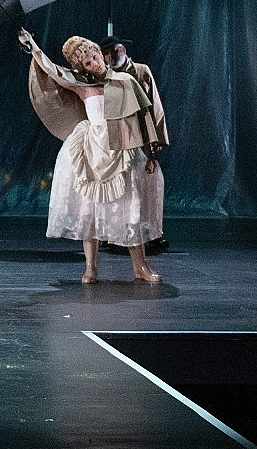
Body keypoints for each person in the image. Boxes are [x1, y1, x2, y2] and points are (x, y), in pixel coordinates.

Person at [20, 30, 162, 283]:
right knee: (89, 210)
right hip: (94, 150)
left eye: (95, 57)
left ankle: (140, 267)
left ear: (101, 54)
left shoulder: (125, 81)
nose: (95, 63)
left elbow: (144, 117)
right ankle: (90, 268)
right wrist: (32, 46)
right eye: (88, 62)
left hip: (122, 148)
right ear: (82, 68)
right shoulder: (82, 86)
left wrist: (151, 153)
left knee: (131, 207)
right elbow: (53, 70)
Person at [100, 35, 170, 253]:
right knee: (116, 186)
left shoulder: (140, 71)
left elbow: (155, 105)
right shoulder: (106, 76)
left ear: (122, 49)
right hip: (116, 137)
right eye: (106, 54)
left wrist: (158, 137)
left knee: (148, 186)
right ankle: (112, 234)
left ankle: (153, 234)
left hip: (140, 135)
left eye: (113, 52)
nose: (110, 57)